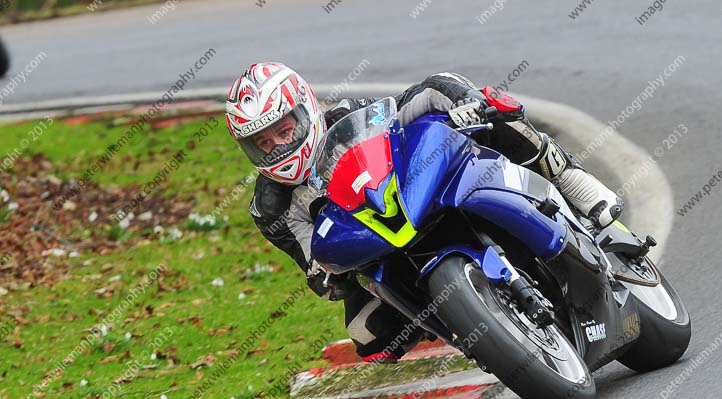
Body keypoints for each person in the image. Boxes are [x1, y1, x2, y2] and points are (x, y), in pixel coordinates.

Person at [225, 63, 623, 363]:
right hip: (370, 245)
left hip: (415, 193)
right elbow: (311, 260)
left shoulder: (347, 115)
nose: (278, 145)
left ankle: (569, 178)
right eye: (263, 142)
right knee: (370, 335)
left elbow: (421, 97)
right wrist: (324, 275)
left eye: (285, 129)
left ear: (305, 111)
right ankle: (463, 325)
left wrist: (464, 101)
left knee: (495, 115)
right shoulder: (269, 206)